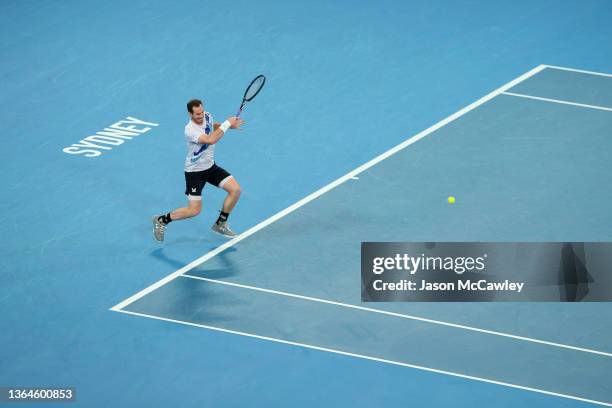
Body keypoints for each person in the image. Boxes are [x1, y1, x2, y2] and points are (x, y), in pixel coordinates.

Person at [152, 99, 244, 242]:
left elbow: (213, 127)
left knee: (236, 190)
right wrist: (227, 123)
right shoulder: (189, 130)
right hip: (194, 173)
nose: (200, 116)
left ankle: (220, 223)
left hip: (210, 167)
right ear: (190, 114)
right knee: (194, 210)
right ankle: (161, 220)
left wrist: (227, 126)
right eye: (197, 114)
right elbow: (209, 140)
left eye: (201, 112)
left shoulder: (207, 115)